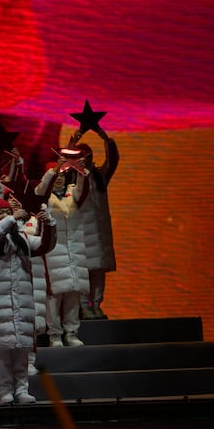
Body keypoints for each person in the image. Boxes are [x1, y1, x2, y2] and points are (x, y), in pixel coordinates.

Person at [0, 197, 54, 404]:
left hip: (22, 300)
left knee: (21, 349)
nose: (4, 216)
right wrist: (11, 219)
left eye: (6, 212)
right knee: (2, 350)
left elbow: (45, 245)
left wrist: (49, 224)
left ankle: (21, 390)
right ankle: (5, 391)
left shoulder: (23, 238)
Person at [38, 164, 92, 345]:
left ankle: (72, 333)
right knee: (54, 295)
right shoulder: (43, 196)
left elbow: (83, 190)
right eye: (56, 175)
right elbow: (41, 191)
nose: (59, 178)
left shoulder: (72, 193)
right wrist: (52, 172)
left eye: (62, 174)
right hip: (54, 249)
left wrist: (82, 172)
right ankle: (54, 334)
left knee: (74, 292)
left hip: (75, 249)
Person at [75, 132, 119, 318]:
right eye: (82, 155)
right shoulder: (71, 179)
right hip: (81, 232)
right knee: (84, 271)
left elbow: (113, 159)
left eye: (89, 154)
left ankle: (97, 303)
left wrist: (103, 135)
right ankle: (84, 305)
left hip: (100, 233)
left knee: (99, 270)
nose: (87, 158)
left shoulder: (100, 176)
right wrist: (74, 140)